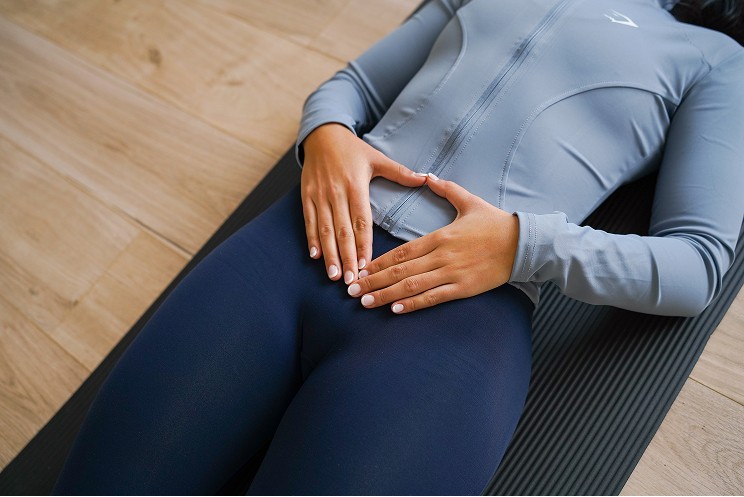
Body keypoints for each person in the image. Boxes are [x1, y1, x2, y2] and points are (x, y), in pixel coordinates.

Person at [53, 0, 743, 494]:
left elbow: (698, 264)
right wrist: (326, 137)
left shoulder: (713, 60)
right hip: (293, 248)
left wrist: (521, 243)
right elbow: (353, 86)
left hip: (453, 326)